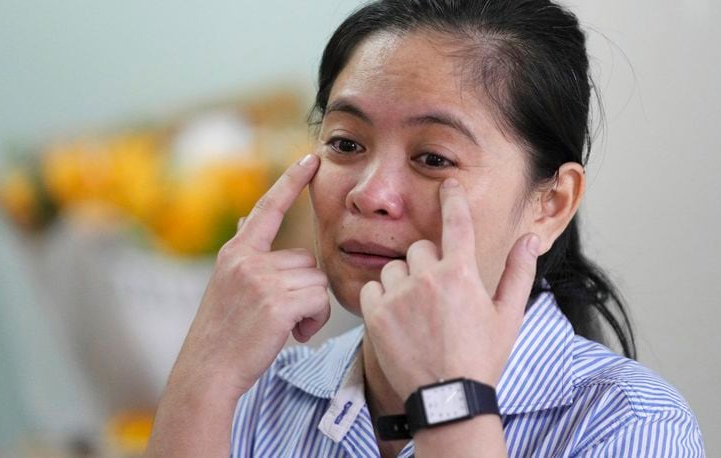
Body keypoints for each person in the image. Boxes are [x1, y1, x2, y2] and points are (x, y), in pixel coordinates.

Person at [147, 0, 705, 456]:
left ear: (551, 202)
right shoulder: (261, 392)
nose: (369, 194)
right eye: (345, 143)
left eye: (434, 158)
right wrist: (204, 376)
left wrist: (450, 401)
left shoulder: (630, 425)